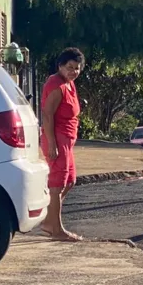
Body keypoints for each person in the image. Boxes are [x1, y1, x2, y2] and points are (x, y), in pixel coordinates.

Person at [39, 48, 85, 242]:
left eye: (76, 68)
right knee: (57, 184)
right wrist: (51, 145)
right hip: (56, 139)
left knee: (70, 180)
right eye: (69, 67)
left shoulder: (69, 84)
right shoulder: (56, 84)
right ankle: (56, 229)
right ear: (60, 66)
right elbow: (47, 115)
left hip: (67, 140)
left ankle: (48, 220)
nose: (73, 71)